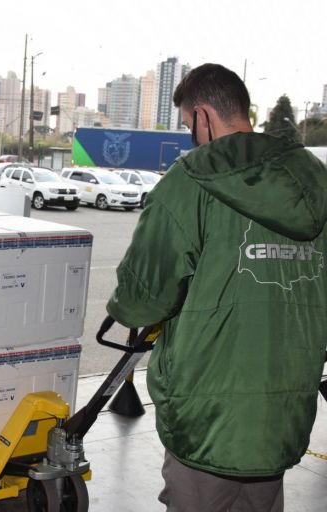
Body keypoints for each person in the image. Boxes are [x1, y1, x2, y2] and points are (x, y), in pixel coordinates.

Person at [106, 63, 327, 511]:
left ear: (203, 116)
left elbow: (141, 302)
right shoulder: (316, 182)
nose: (192, 135)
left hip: (206, 414)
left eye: (189, 125)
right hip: (283, 414)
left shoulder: (187, 185)